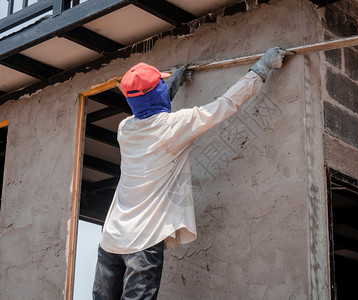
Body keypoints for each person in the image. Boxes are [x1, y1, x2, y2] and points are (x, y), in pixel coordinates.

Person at [92, 47, 291, 300]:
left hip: (110, 240)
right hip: (142, 243)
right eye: (161, 85)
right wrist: (261, 69)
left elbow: (148, 109)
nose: (165, 87)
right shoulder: (176, 126)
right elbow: (225, 104)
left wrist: (172, 85)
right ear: (157, 94)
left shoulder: (125, 129)